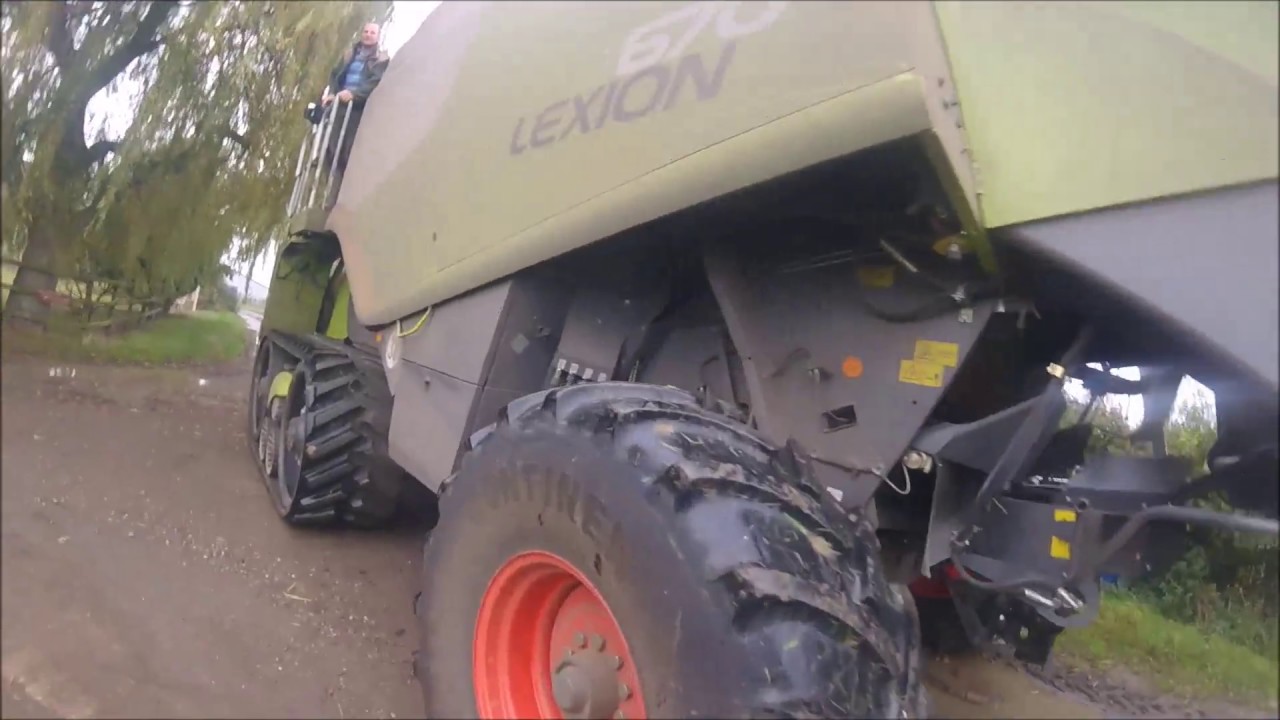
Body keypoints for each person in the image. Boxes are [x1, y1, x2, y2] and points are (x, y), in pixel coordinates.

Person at [319, 22, 390, 205]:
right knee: (331, 149)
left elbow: (374, 82)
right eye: (365, 31)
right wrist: (332, 94)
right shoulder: (349, 54)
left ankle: (347, 199)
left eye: (372, 32)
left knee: (350, 152)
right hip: (338, 106)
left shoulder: (381, 59)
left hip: (358, 110)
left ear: (378, 36)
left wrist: (354, 94)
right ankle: (331, 196)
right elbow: (335, 75)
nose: (368, 35)